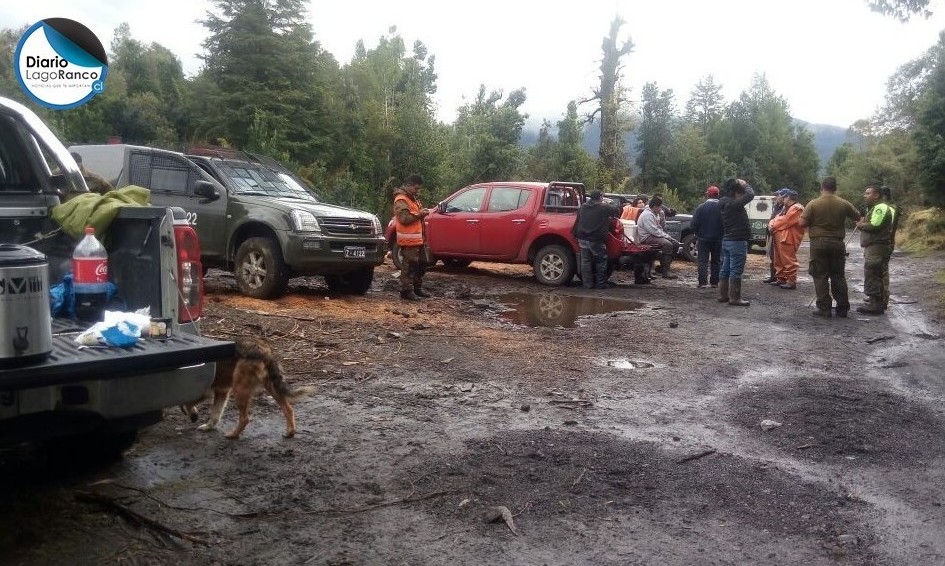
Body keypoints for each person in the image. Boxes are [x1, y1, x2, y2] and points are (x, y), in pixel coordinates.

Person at [797, 176, 861, 317]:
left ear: (822, 187)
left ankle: (824, 308)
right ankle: (842, 308)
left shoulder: (813, 204)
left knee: (820, 275)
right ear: (835, 188)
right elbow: (858, 217)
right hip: (837, 243)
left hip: (818, 243)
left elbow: (801, 223)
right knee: (838, 275)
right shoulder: (844, 203)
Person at [855, 184, 896, 315]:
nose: (865, 196)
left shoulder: (880, 208)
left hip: (877, 246)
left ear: (876, 195)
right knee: (878, 272)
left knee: (872, 272)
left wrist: (861, 225)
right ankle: (878, 301)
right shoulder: (875, 208)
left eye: (868, 193)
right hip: (878, 246)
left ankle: (875, 304)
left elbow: (874, 225)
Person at [392, 174, 431, 300]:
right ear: (408, 185)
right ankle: (406, 290)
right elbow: (404, 218)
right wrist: (420, 214)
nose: (417, 191)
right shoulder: (401, 199)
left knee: (422, 263)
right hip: (409, 240)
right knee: (410, 265)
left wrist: (421, 213)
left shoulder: (413, 198)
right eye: (416, 188)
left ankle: (416, 288)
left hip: (418, 239)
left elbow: (414, 215)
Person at [717, 178, 755, 306]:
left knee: (725, 269)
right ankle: (735, 298)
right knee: (735, 271)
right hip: (737, 241)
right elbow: (750, 194)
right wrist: (745, 184)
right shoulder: (734, 204)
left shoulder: (723, 202)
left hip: (727, 240)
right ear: (737, 192)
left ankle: (723, 295)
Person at [572, 190, 620, 289]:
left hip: (582, 238)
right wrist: (608, 203)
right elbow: (617, 211)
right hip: (596, 239)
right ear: (600, 197)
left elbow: (578, 220)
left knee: (585, 262)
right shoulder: (603, 207)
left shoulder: (583, 206)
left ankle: (587, 285)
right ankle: (600, 284)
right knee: (601, 261)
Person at [767, 189, 805, 289]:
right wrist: (772, 224)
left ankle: (791, 281)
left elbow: (785, 221)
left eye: (784, 197)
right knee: (777, 260)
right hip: (780, 237)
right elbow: (775, 219)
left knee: (788, 260)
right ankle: (781, 278)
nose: (782, 199)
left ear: (788, 198)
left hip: (789, 239)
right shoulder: (785, 208)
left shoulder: (797, 208)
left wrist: (773, 225)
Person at [637, 196, 680, 279]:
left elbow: (659, 229)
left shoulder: (653, 214)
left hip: (653, 235)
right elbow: (653, 231)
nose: (660, 209)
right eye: (659, 207)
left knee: (675, 244)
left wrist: (667, 236)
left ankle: (662, 268)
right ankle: (666, 272)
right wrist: (667, 237)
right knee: (668, 244)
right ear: (655, 206)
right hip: (647, 237)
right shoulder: (647, 215)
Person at [690, 185, 723, 288]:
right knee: (716, 261)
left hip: (703, 239)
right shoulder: (723, 207)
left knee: (702, 261)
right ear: (718, 195)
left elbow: (693, 224)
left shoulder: (701, 207)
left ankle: (702, 282)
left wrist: (697, 233)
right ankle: (714, 282)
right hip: (718, 239)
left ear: (707, 195)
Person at [762, 189, 788, 284]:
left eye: (778, 196)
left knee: (778, 257)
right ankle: (774, 276)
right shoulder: (777, 206)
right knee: (773, 256)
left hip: (779, 235)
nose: (776, 197)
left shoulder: (785, 208)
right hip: (773, 235)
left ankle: (780, 277)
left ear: (784, 197)